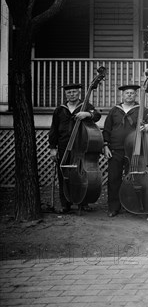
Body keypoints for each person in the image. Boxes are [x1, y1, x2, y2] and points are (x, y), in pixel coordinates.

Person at [102, 84, 148, 217]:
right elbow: (107, 129)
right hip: (115, 149)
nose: (129, 95)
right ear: (122, 95)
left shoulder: (142, 109)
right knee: (114, 179)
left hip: (134, 151)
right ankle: (114, 207)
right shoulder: (114, 110)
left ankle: (131, 205)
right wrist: (105, 146)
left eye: (132, 93)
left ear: (136, 95)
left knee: (134, 179)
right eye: (127, 93)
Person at [49, 83, 101, 214]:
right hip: (63, 146)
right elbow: (54, 129)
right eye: (69, 93)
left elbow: (97, 115)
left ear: (79, 93)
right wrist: (52, 148)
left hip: (81, 146)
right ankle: (65, 203)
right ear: (66, 94)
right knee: (64, 175)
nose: (72, 94)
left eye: (74, 92)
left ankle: (83, 202)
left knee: (82, 175)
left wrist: (87, 114)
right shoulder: (59, 110)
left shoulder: (86, 106)